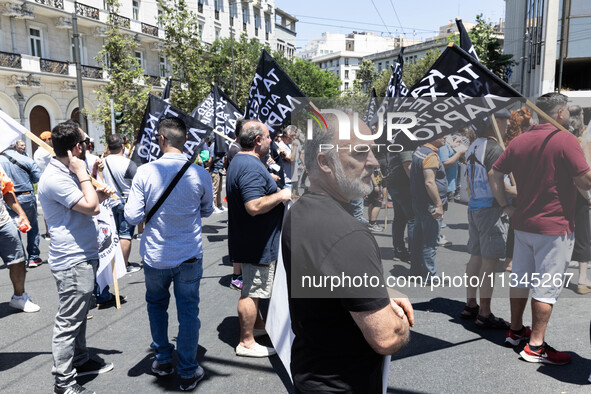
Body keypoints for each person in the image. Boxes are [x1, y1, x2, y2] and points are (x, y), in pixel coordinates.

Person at [282, 112, 412, 392]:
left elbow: (331, 279)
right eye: (361, 152)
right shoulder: (349, 234)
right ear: (325, 162)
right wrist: (400, 322)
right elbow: (386, 337)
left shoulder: (300, 210)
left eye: (373, 152)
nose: (374, 162)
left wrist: (378, 294)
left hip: (311, 372)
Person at [490, 93, 591, 365]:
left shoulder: (520, 140)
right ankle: (535, 346)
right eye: (568, 110)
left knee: (521, 279)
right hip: (554, 227)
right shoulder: (566, 140)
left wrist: (505, 206)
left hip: (523, 223)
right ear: (558, 113)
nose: (570, 115)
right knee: (545, 288)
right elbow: (585, 180)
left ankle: (514, 330)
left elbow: (494, 174)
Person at [125, 118, 212, 391]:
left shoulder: (145, 172)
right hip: (188, 256)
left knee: (156, 306)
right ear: (184, 140)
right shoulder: (200, 174)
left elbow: (131, 215)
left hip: (155, 257)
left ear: (161, 139)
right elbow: (208, 210)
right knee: (188, 312)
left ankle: (163, 360)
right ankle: (187, 370)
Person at [38, 121, 115, 394]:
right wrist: (84, 175)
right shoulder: (57, 176)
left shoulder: (66, 170)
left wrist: (95, 189)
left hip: (82, 253)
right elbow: (90, 208)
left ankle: (80, 360)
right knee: (68, 322)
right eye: (84, 143)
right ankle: (64, 382)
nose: (87, 147)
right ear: (76, 148)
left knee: (80, 314)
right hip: (72, 259)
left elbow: (85, 206)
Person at [226, 120, 291, 358]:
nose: (272, 140)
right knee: (252, 291)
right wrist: (282, 194)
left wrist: (269, 184)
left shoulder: (243, 161)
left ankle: (257, 325)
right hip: (257, 242)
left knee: (255, 288)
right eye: (268, 136)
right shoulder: (250, 165)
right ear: (257, 141)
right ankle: (246, 342)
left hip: (252, 239)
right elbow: (253, 206)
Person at [461, 115, 516, 328]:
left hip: (475, 206)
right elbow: (497, 183)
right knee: (489, 261)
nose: (508, 125)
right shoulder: (494, 148)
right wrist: (509, 202)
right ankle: (484, 312)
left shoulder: (473, 146)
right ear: (496, 123)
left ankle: (470, 304)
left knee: (476, 257)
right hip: (491, 209)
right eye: (505, 121)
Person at [0, 163, 40, 313]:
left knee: (18, 260)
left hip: (3, 222)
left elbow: (7, 191)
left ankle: (19, 297)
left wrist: (21, 213)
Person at [409, 138, 448, 281]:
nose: (445, 137)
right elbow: (430, 182)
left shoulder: (420, 151)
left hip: (419, 202)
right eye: (442, 134)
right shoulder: (430, 155)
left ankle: (416, 270)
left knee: (419, 238)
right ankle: (429, 275)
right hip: (428, 204)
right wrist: (438, 205)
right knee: (430, 241)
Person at [101, 134, 140, 273]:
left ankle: (114, 263)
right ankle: (123, 266)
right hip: (125, 202)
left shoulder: (101, 162)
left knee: (113, 235)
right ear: (122, 146)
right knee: (125, 235)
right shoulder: (128, 163)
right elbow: (138, 184)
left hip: (107, 202)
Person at [0, 143, 43, 267]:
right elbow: (37, 178)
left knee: (13, 227)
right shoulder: (26, 159)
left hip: (8, 197)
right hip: (26, 195)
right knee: (32, 227)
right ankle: (34, 257)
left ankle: (21, 259)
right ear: (14, 147)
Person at [224, 118, 248, 291]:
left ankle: (239, 274)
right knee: (239, 237)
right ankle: (236, 276)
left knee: (241, 237)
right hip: (238, 200)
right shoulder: (235, 149)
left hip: (239, 198)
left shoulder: (237, 148)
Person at [386, 149, 414, 262]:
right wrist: (418, 184)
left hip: (396, 183)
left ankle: (399, 250)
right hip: (403, 185)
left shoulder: (395, 143)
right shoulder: (404, 144)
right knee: (412, 219)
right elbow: (407, 165)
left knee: (399, 219)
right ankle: (413, 253)